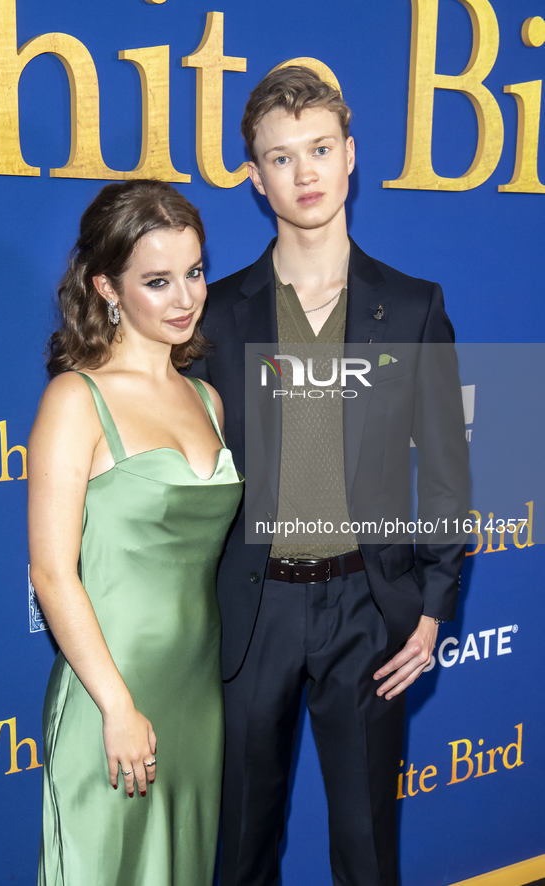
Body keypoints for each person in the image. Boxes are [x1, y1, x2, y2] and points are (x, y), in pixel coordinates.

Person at [188, 67, 468, 886]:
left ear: (350, 156)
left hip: (367, 612)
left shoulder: (414, 306)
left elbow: (448, 468)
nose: (303, 173)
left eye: (318, 149)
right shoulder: (214, 314)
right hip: (251, 611)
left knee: (366, 851)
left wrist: (433, 608)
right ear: (254, 177)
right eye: (280, 158)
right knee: (237, 851)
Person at [28, 179, 243, 886]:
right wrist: (117, 707)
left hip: (194, 692)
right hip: (108, 693)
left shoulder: (205, 399)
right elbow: (53, 574)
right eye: (157, 281)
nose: (184, 299)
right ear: (107, 288)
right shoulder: (75, 398)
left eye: (194, 273)